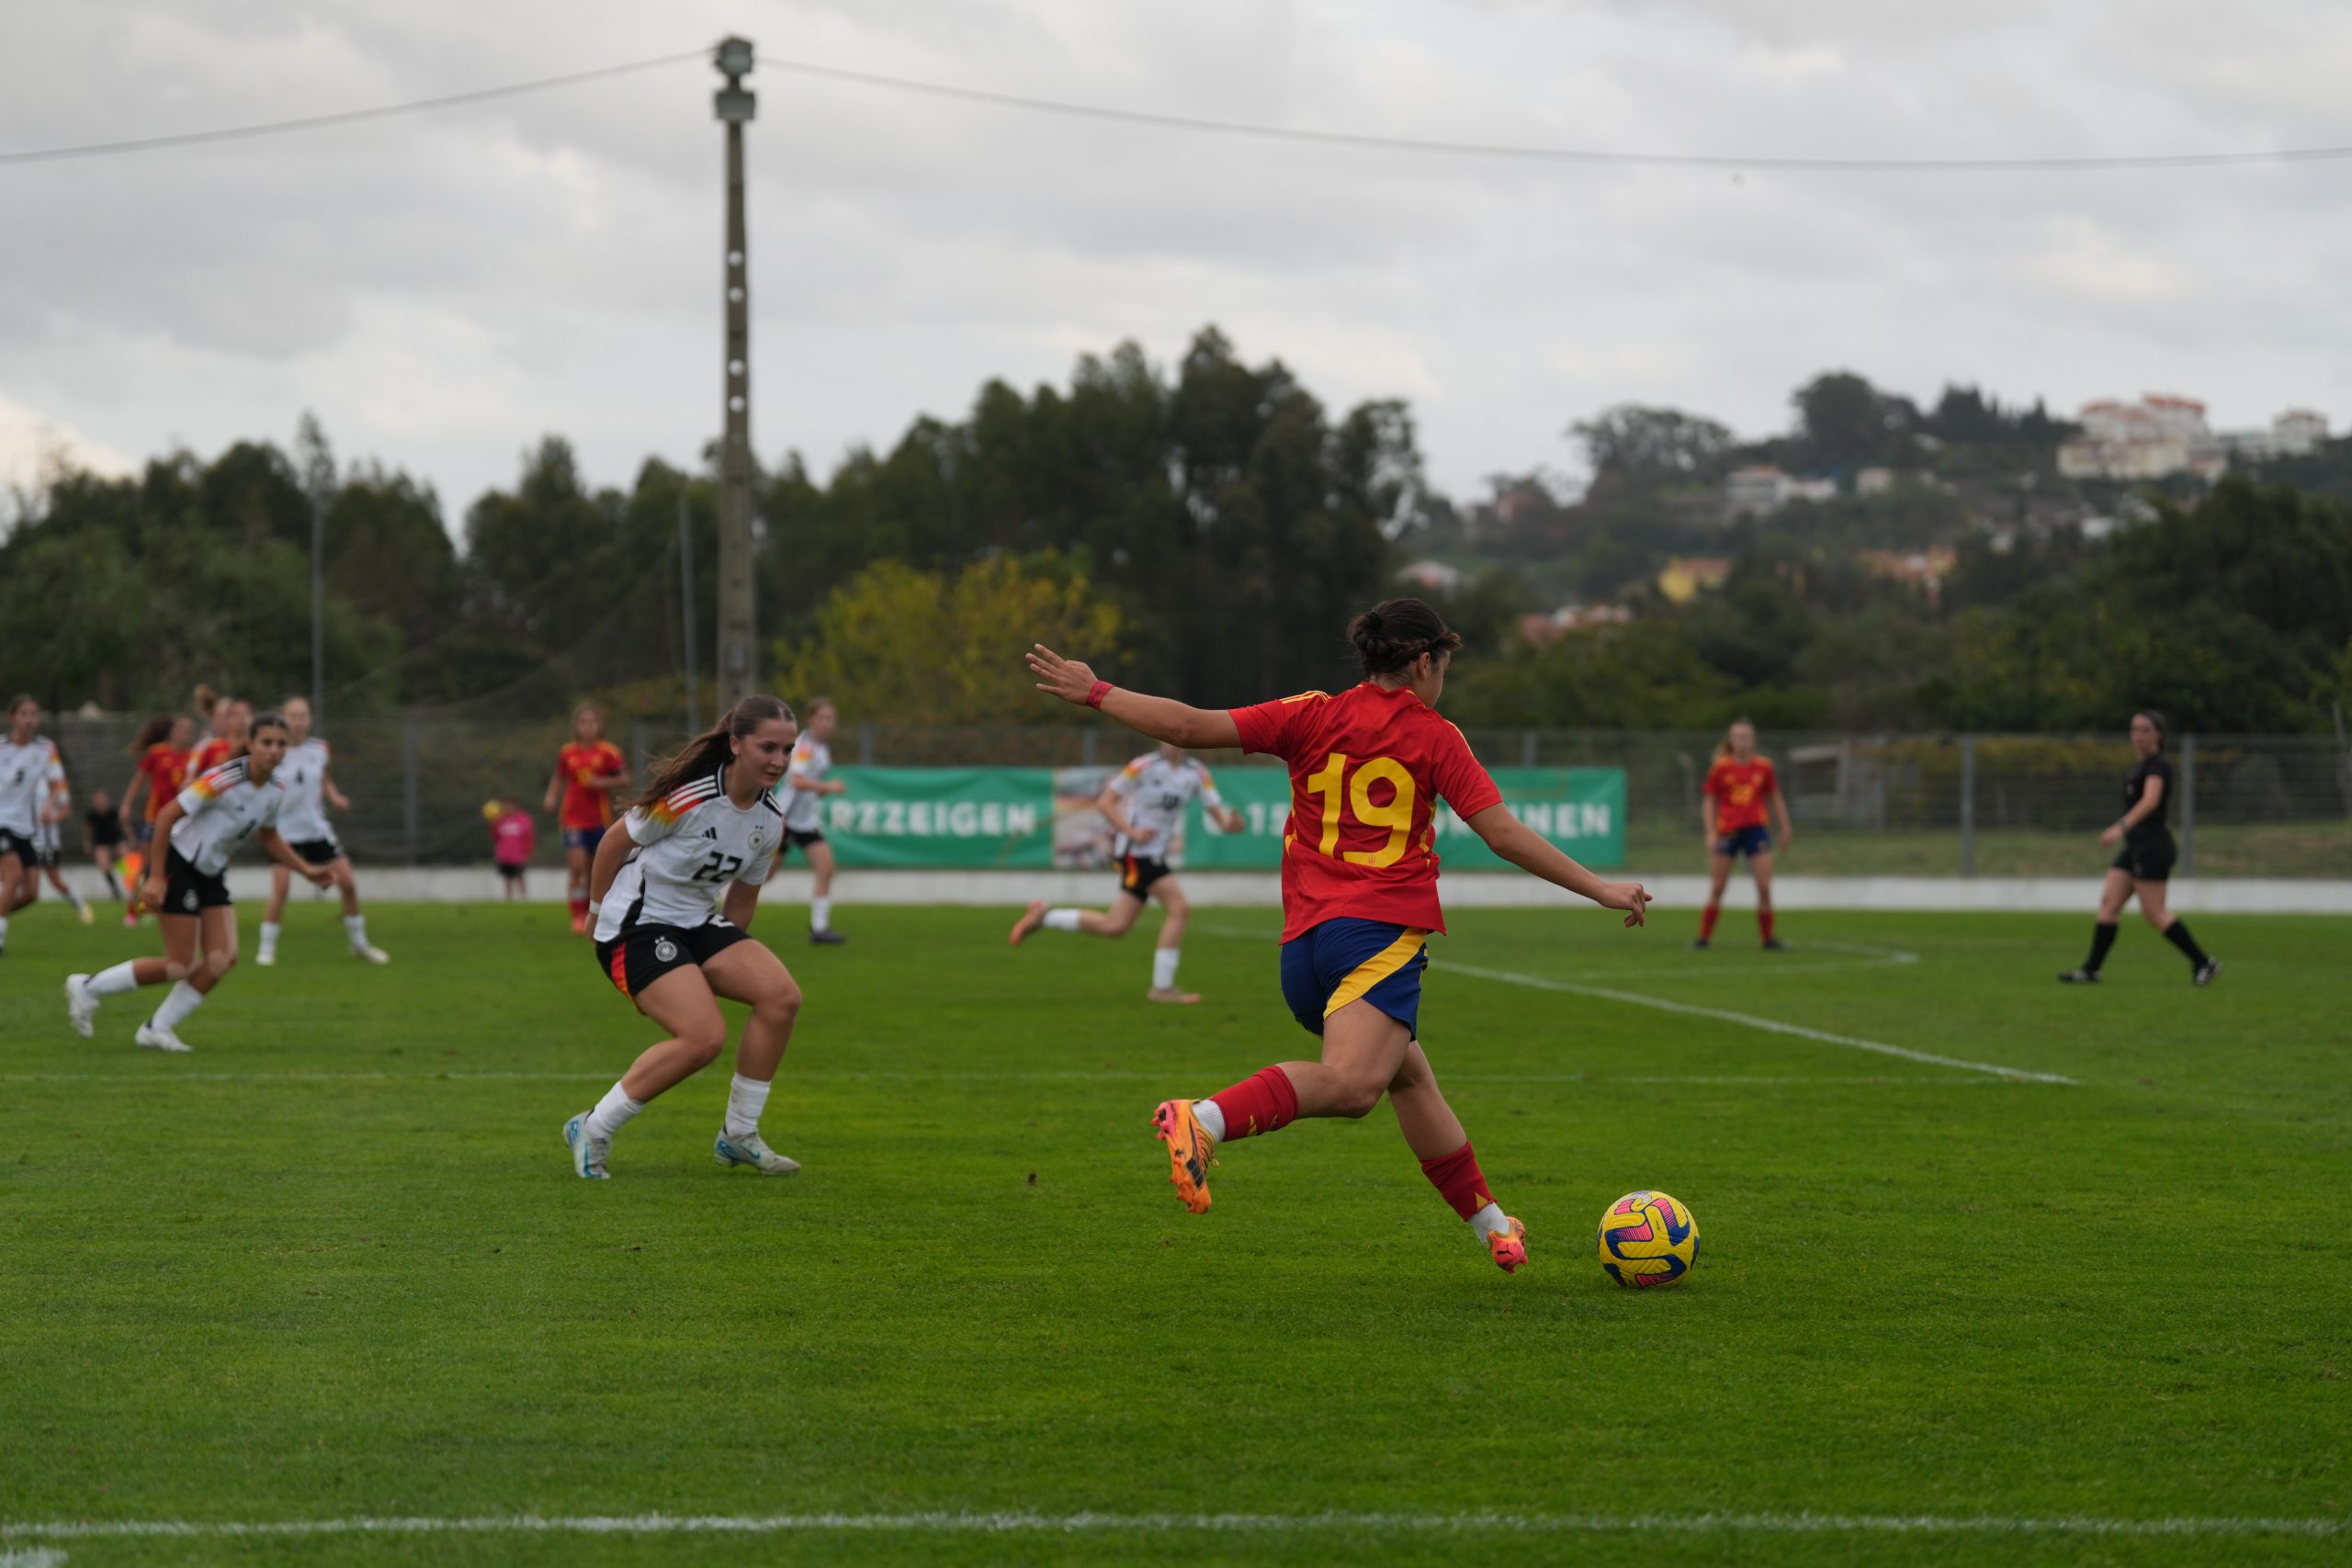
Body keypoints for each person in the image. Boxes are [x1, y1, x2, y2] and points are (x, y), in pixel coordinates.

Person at [1025, 598, 1653, 1274]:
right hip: (1376, 936)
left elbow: (1188, 724)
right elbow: (1501, 833)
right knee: (1354, 1087)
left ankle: (1495, 1227)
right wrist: (1600, 887)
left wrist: (1097, 691)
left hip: (1305, 948)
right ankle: (1203, 1118)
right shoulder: (1437, 735)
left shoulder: (1311, 713)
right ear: (1423, 663)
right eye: (1443, 666)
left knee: (1409, 1077)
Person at [563, 695, 806, 1179]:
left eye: (787, 749)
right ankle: (592, 1127)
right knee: (704, 1037)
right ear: (735, 745)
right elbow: (614, 842)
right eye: (768, 747)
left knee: (781, 998)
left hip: (695, 923)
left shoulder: (769, 820)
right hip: (635, 926)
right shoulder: (689, 799)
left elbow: (742, 903)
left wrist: (714, 966)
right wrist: (595, 913)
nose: (779, 761)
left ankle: (739, 1135)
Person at [65, 711, 334, 1052]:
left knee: (222, 958)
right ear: (250, 744)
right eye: (266, 742)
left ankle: (156, 1028)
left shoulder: (274, 789)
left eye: (281, 744)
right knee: (179, 964)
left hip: (211, 871)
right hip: (178, 863)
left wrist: (306, 870)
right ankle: (87, 986)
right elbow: (166, 816)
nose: (274, 750)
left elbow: (268, 837)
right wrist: (157, 877)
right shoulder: (222, 778)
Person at [1009, 741, 1248, 1003]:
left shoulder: (1197, 773)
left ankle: (1046, 917)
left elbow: (1219, 817)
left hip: (1152, 855)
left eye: (1177, 734)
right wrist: (1132, 832)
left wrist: (1230, 824)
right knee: (1180, 908)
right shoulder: (1142, 766)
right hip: (1135, 853)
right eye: (1165, 734)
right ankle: (1162, 988)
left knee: (1115, 926)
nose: (1171, 740)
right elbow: (1105, 803)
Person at [2060, 709, 2220, 987]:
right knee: (2109, 904)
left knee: (2154, 912)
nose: (2139, 736)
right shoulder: (2141, 766)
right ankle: (2091, 970)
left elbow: (2150, 801)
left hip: (2153, 846)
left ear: (2158, 734)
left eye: (2146, 730)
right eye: (2135, 729)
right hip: (2135, 846)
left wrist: (2119, 827)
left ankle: (2203, 962)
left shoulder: (2157, 765)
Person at [255, 696, 388, 966]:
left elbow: (324, 778)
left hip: (315, 828)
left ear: (310, 719)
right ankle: (266, 949)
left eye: (303, 716)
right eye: (293, 716)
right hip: (282, 832)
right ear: (284, 719)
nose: (298, 721)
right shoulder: (274, 752)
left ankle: (359, 944)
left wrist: (335, 797)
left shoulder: (319, 748)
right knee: (281, 889)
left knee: (347, 883)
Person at [1693, 718, 1793, 951]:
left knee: (1764, 887)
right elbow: (1709, 801)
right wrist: (1710, 832)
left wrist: (1785, 827)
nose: (1742, 741)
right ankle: (1703, 938)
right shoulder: (1720, 767)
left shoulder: (1764, 766)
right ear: (1730, 740)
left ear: (1754, 739)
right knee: (1718, 887)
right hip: (1727, 832)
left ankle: (1768, 939)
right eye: (1738, 737)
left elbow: (1774, 797)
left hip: (1756, 831)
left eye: (1746, 737)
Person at [544, 705, 628, 935]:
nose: (588, 727)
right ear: (576, 726)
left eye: (592, 722)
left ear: (599, 726)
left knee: (594, 871)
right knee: (577, 866)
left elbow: (624, 779)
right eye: (583, 723)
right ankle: (577, 915)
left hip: (600, 820)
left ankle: (593, 913)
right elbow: (558, 778)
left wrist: (601, 783)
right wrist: (551, 797)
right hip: (572, 819)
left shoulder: (608, 752)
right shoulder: (567, 752)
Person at [776, 696, 850, 943]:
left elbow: (808, 784)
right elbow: (796, 781)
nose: (827, 723)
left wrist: (819, 790)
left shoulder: (821, 747)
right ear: (811, 719)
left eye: (831, 719)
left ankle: (819, 929)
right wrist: (827, 787)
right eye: (822, 718)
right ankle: (721, 913)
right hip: (786, 820)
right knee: (763, 874)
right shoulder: (805, 746)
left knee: (826, 868)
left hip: (806, 822)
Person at [0, 694, 69, 955]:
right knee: (13, 875)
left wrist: (50, 805)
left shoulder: (45, 749)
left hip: (25, 827)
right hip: (1, 822)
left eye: (33, 714)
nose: (29, 720)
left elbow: (56, 785)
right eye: (24, 714)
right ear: (13, 718)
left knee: (31, 892)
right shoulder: (1, 747)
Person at [117, 713, 193, 928]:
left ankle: (158, 907)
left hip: (181, 821)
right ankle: (133, 910)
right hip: (155, 818)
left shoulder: (192, 757)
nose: (183, 734)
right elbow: (138, 780)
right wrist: (126, 804)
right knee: (146, 866)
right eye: (180, 729)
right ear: (172, 731)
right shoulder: (157, 753)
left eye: (188, 731)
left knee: (173, 867)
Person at [187, 689, 249, 778]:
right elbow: (192, 776)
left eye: (226, 716)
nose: (222, 720)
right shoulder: (205, 746)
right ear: (212, 718)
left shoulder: (250, 744)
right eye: (219, 716)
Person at [84, 788, 128, 902]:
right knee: (104, 865)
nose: (100, 802)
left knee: (127, 859)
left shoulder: (114, 811)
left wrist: (130, 837)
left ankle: (132, 886)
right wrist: (87, 843)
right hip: (101, 841)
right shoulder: (91, 814)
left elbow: (124, 824)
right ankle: (115, 890)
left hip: (116, 839)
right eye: (98, 799)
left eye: (102, 799)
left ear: (108, 800)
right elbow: (87, 829)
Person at [489, 797, 536, 899]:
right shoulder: (500, 820)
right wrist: (493, 822)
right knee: (507, 878)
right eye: (506, 806)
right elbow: (495, 837)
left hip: (518, 855)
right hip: (504, 855)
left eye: (510, 806)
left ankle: (524, 897)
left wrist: (528, 852)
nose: (508, 808)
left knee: (519, 876)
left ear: (516, 806)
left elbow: (529, 837)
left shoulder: (523, 819)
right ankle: (508, 899)